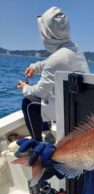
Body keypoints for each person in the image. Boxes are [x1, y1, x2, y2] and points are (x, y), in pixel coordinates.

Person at [17, 6, 89, 141]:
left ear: (48, 34)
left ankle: (36, 144)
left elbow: (38, 92)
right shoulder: (74, 48)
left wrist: (24, 87)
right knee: (48, 94)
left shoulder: (56, 60)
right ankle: (47, 135)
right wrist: (36, 66)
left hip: (69, 111)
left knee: (29, 103)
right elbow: (54, 62)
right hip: (79, 107)